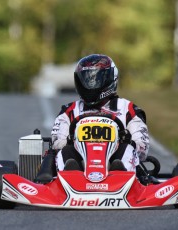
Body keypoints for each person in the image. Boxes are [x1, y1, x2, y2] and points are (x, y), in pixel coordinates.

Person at [35, 54, 149, 183]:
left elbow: (142, 147)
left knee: (127, 149)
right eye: (87, 80)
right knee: (65, 151)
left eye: (95, 79)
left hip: (114, 162)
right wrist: (75, 142)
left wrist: (126, 140)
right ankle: (71, 177)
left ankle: (119, 177)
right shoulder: (70, 110)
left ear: (110, 78)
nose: (91, 85)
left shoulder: (128, 109)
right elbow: (58, 142)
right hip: (80, 162)